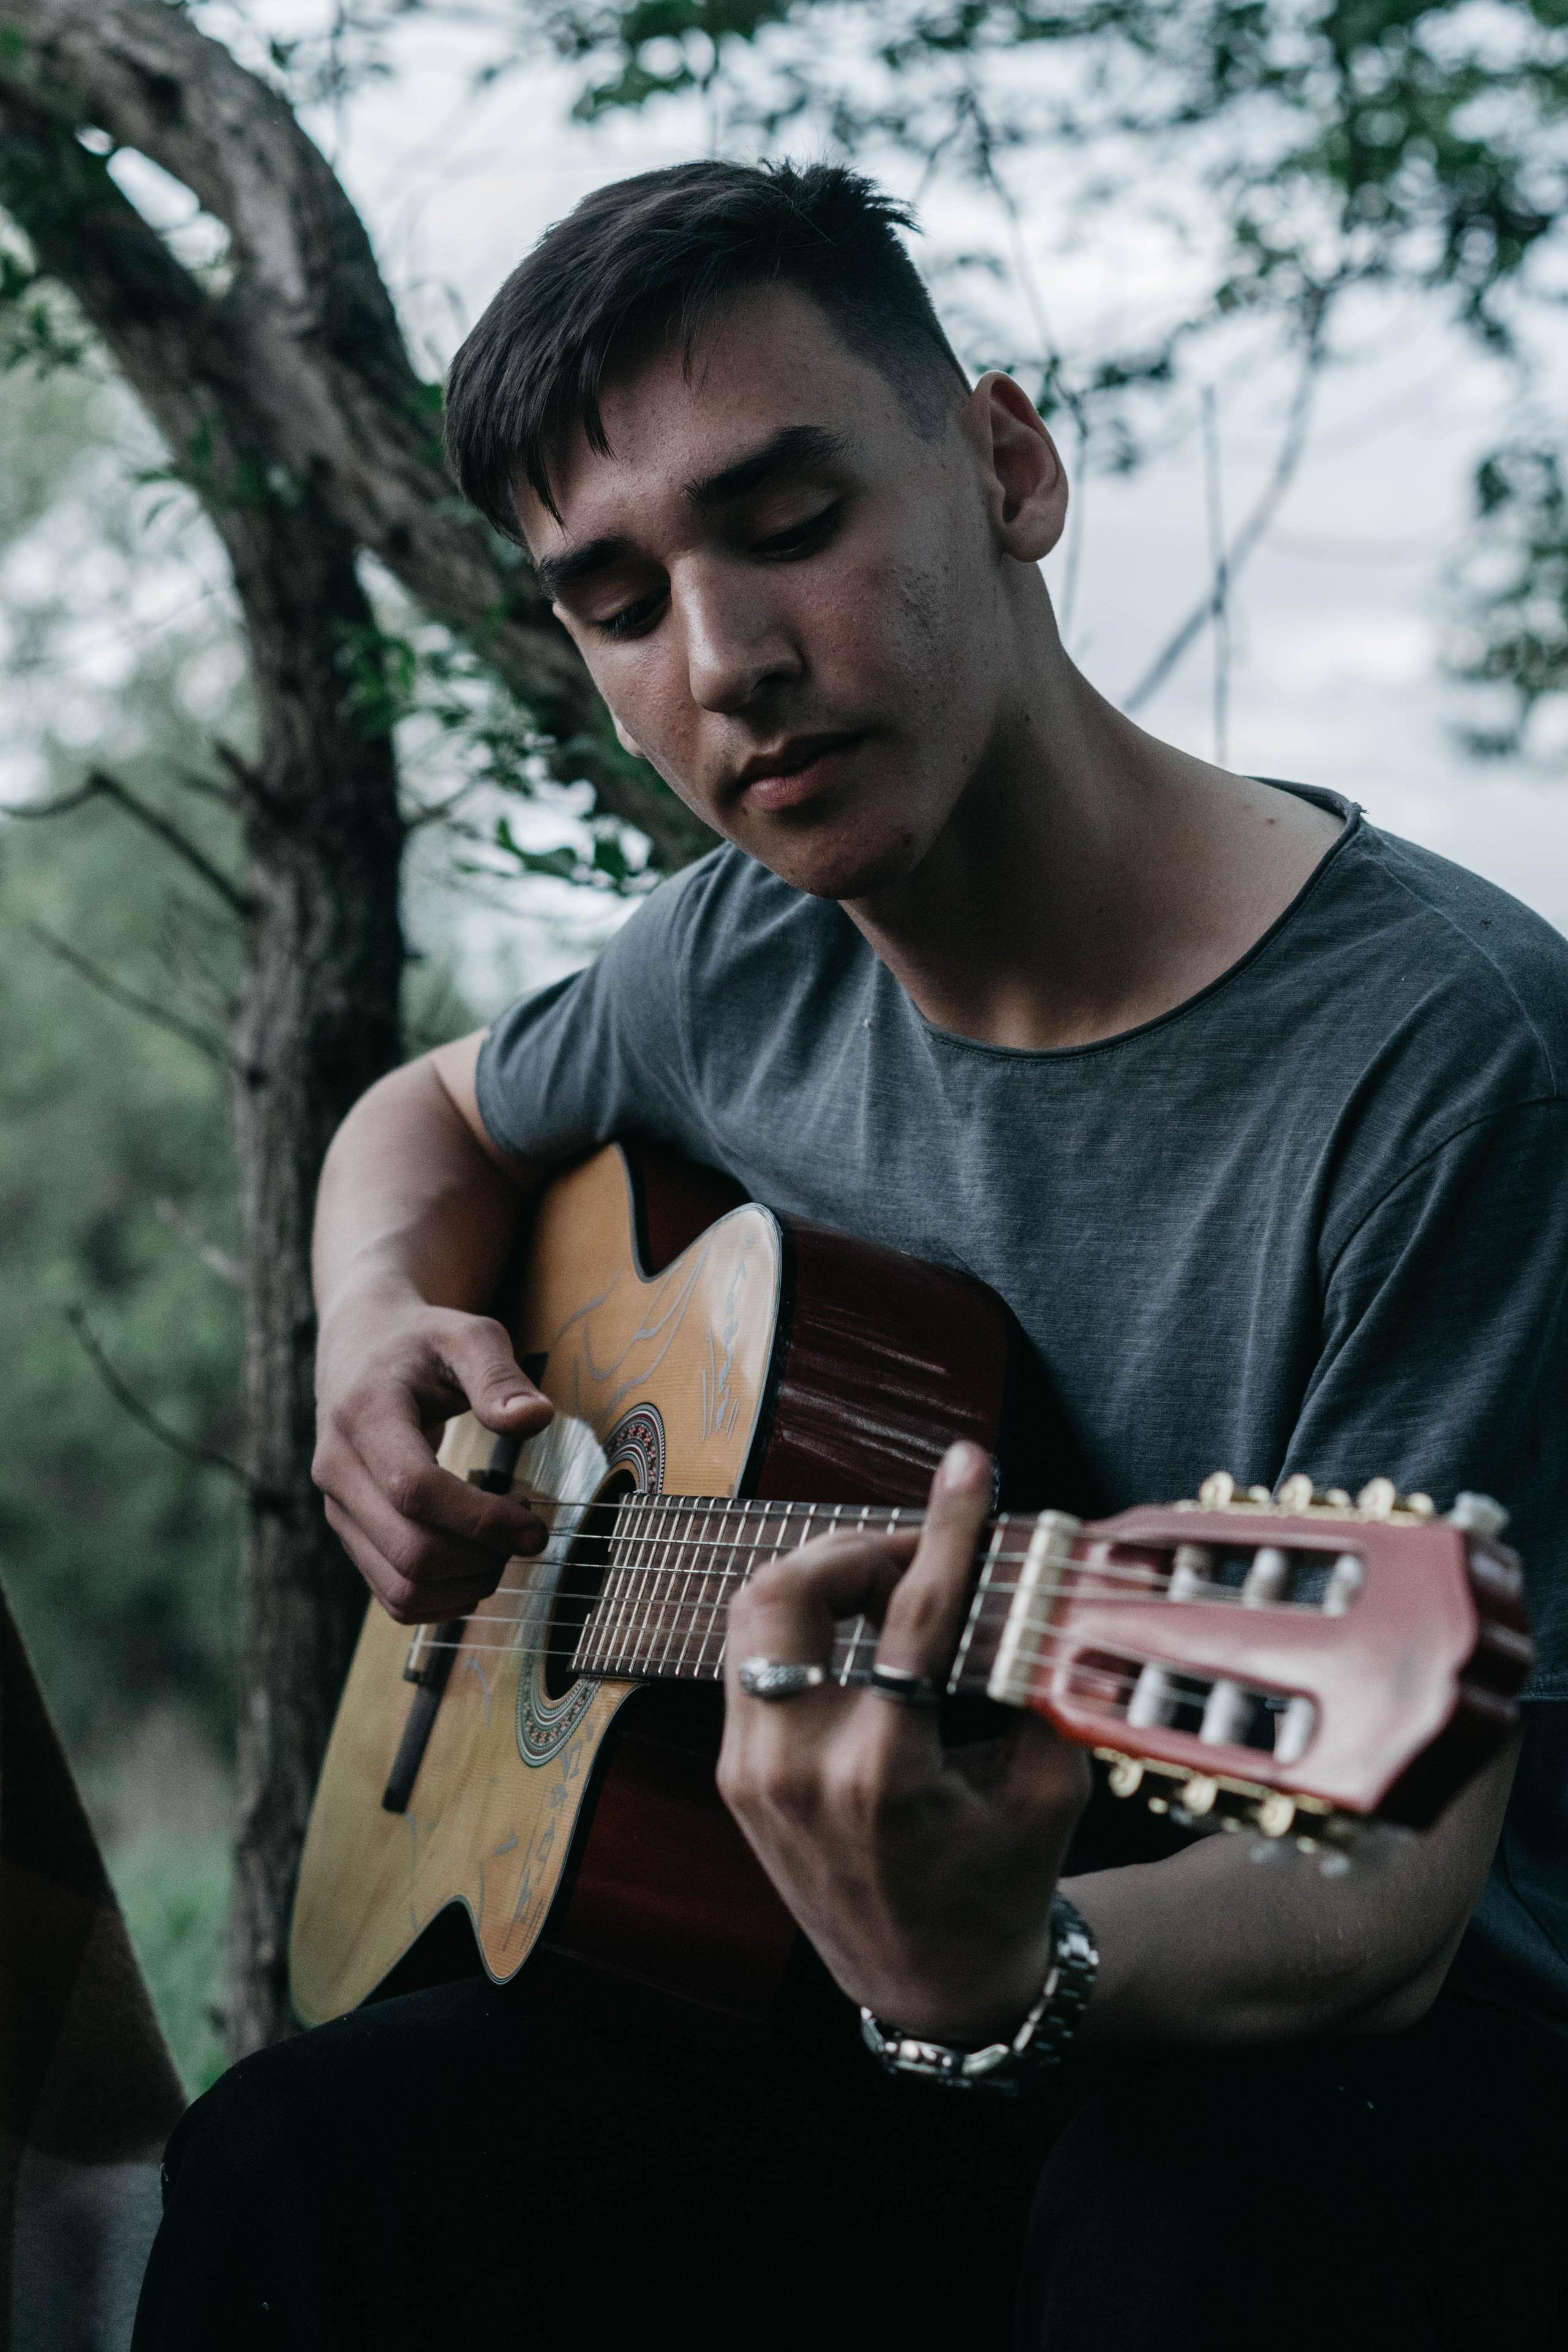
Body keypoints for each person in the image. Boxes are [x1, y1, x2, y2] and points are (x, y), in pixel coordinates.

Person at [134, 162, 1568, 2351]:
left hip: (1351, 2041)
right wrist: (377, 1321)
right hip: (851, 1986)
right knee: (304, 2165)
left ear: (1007, 466)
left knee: (1199, 2241)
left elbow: (1378, 1895)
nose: (728, 664)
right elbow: (422, 1116)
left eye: (788, 522)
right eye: (617, 600)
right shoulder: (729, 963)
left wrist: (1008, 1974)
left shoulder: (1447, 1057)